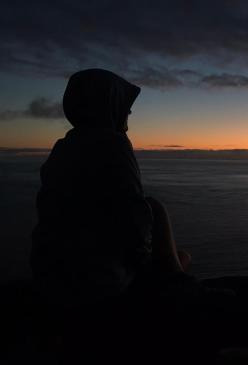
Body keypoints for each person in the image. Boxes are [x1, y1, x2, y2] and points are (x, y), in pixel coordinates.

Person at [31, 68, 191, 308]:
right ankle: (184, 290)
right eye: (125, 109)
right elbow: (132, 218)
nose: (127, 116)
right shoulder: (113, 145)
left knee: (173, 247)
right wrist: (147, 263)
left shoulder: (63, 147)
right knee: (161, 220)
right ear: (109, 105)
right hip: (99, 284)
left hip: (50, 277)